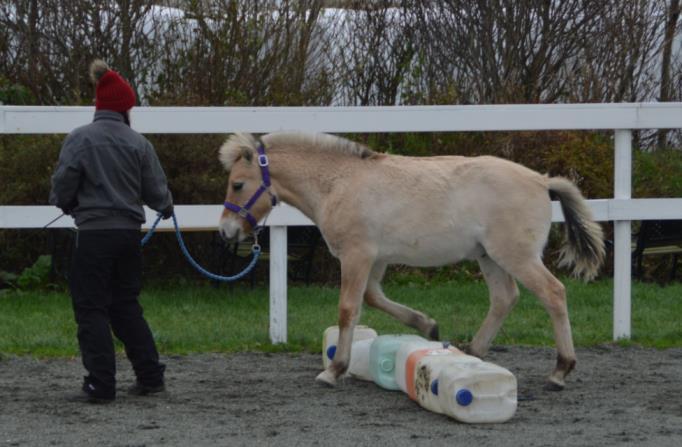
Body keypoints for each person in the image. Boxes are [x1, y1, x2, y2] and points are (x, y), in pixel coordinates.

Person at [49, 59, 173, 404]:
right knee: (125, 305)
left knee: (90, 308)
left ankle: (101, 384)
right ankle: (150, 376)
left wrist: (66, 203)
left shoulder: (80, 139)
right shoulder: (139, 143)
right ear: (126, 108)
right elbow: (158, 194)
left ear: (98, 105)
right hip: (128, 235)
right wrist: (165, 205)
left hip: (94, 235)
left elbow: (62, 186)